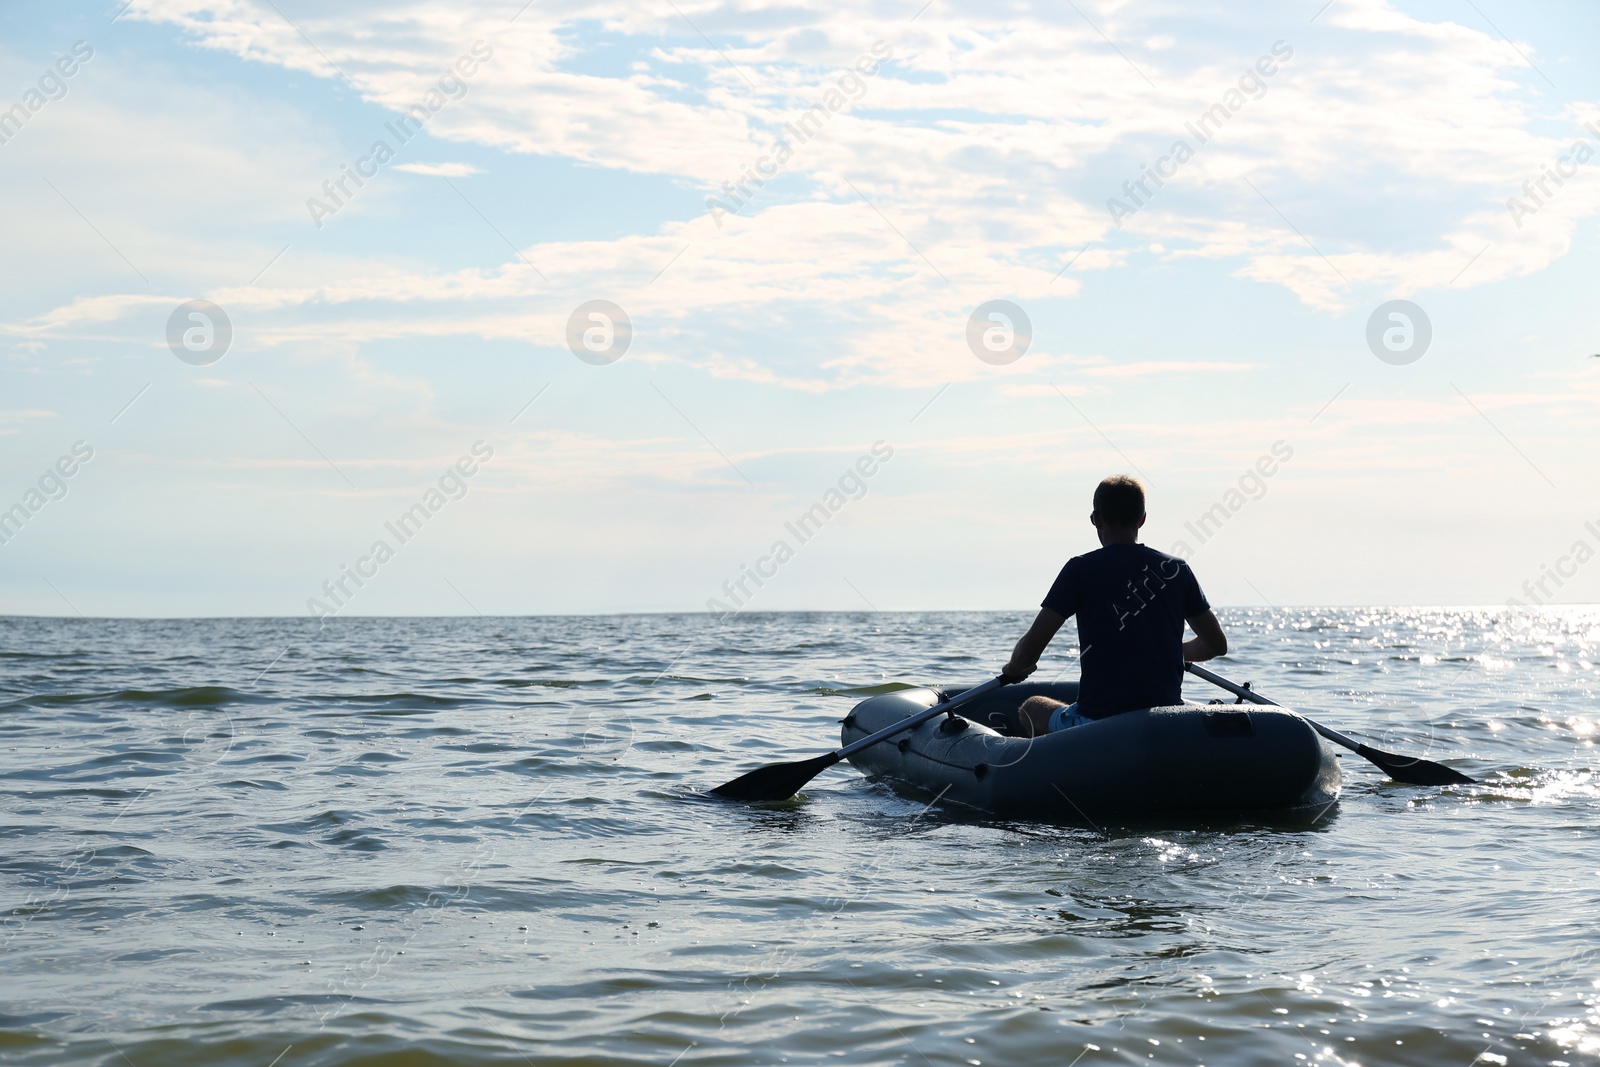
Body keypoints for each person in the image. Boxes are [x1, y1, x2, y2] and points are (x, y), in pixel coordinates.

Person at [1001, 475, 1227, 736]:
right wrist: (1166, 651)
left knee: (1032, 707)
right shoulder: (1176, 570)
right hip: (1164, 721)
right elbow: (1216, 645)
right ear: (1142, 519)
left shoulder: (1079, 570)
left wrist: (1013, 668)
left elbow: (1029, 654)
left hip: (1099, 726)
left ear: (1095, 519)